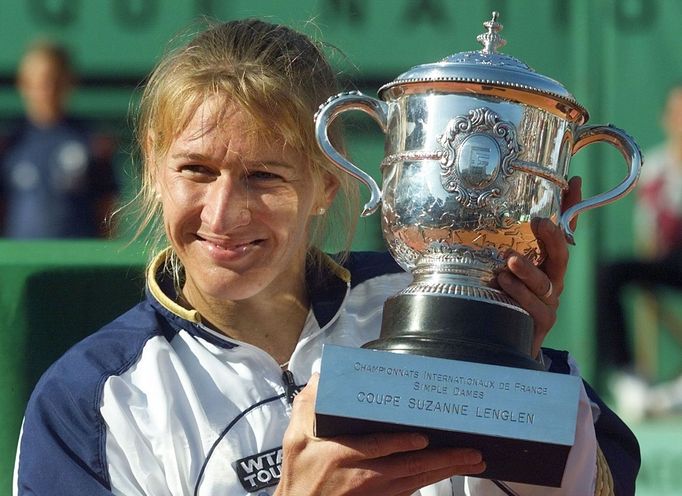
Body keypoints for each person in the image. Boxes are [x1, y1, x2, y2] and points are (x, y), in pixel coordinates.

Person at [13, 19, 639, 495]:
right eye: (196, 171)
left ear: (330, 182)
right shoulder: (92, 402)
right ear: (151, 165)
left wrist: (509, 362)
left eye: (265, 177)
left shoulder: (423, 306)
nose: (224, 214)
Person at [596, 83, 682, 419]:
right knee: (610, 273)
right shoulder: (656, 168)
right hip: (671, 261)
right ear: (666, 119)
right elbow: (650, 239)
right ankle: (628, 376)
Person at [0, 40, 119, 238]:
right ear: (23, 83)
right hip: (20, 259)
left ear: (69, 82)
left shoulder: (92, 141)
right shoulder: (9, 144)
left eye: (54, 80)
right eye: (38, 81)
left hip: (76, 258)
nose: (47, 89)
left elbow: (106, 207)